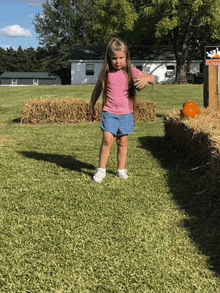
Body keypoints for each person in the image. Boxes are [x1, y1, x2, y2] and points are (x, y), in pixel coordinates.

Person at [90, 38, 155, 183]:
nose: (117, 61)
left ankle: (121, 169)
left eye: (121, 58)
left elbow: (152, 78)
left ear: (126, 57)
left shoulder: (132, 72)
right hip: (109, 112)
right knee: (107, 139)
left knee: (122, 141)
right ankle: (101, 169)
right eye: (114, 58)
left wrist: (145, 80)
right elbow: (97, 89)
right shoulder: (105, 74)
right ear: (109, 58)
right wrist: (92, 104)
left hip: (126, 114)